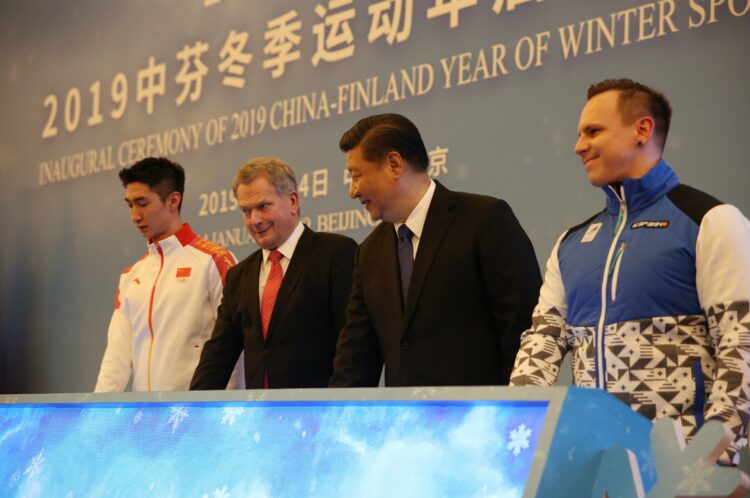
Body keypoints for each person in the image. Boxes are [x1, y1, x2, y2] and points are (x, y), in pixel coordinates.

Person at [510, 79, 750, 464]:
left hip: (683, 470)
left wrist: (712, 461)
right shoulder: (570, 244)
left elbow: (740, 345)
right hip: (593, 469)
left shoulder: (711, 221)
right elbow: (541, 345)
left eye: (593, 131)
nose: (578, 146)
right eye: (578, 134)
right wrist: (515, 437)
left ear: (642, 130)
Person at [329, 113, 541, 387]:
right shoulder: (369, 253)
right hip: (405, 424)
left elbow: (523, 328)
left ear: (394, 164)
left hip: (480, 419)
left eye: (356, 176)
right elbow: (355, 356)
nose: (352, 191)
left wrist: (511, 413)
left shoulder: (483, 220)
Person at [190, 157, 357, 389]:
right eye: (246, 211)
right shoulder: (239, 276)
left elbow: (352, 346)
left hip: (318, 414)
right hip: (260, 417)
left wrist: (338, 410)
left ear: (292, 201)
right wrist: (191, 409)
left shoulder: (336, 254)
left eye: (263, 206)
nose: (255, 220)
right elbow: (218, 353)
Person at [95, 156, 243, 392]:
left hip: (198, 417)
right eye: (130, 205)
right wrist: (96, 418)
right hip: (145, 420)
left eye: (142, 203)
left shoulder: (214, 261)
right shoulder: (131, 276)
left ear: (173, 200)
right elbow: (116, 359)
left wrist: (225, 414)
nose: (134, 215)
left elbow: (235, 348)